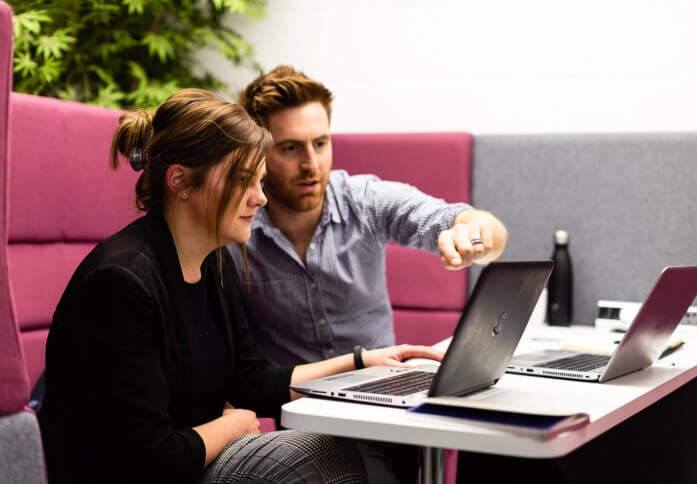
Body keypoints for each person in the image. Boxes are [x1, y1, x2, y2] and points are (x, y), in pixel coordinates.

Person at [38, 88, 444, 484]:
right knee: (315, 461)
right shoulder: (120, 283)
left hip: (191, 457)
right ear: (180, 180)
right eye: (243, 180)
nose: (260, 198)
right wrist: (233, 425)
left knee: (330, 453)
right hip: (144, 472)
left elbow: (251, 382)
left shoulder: (214, 259)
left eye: (261, 181)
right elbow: (150, 458)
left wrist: (360, 363)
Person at [227, 65, 508, 483]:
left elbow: (464, 221)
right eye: (290, 148)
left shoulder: (363, 200)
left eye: (320, 143)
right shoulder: (237, 229)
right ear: (258, 155)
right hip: (310, 426)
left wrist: (476, 234)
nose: (311, 163)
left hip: (390, 406)